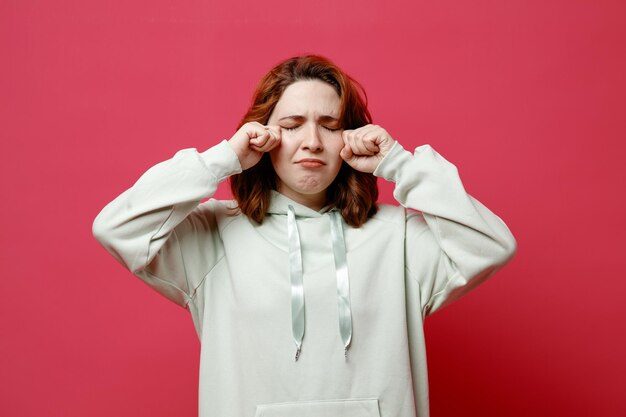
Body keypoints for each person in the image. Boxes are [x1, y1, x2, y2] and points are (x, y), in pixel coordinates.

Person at [92, 55, 517, 417]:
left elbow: (493, 245)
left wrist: (400, 165)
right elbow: (117, 228)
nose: (312, 141)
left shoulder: (398, 238)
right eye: (292, 125)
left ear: (349, 138)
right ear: (263, 137)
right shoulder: (214, 237)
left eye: (329, 125)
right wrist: (223, 159)